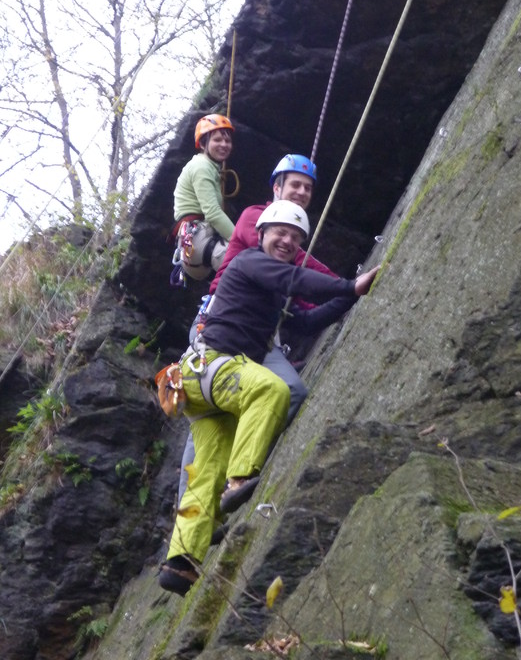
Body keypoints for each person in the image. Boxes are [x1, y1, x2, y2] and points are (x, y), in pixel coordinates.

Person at [159, 200, 380, 597]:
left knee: (206, 468)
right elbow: (298, 281)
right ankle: (239, 479)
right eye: (280, 232)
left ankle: (180, 563)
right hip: (211, 366)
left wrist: (352, 295)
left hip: (201, 388)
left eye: (296, 238)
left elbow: (308, 320)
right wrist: (349, 285)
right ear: (260, 235)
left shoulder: (266, 289)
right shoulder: (247, 262)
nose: (287, 241)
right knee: (271, 389)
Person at [177, 154, 337, 502]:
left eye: (308, 188)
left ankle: (236, 474)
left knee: (290, 390)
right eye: (294, 184)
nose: (301, 192)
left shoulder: (291, 241)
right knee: (208, 415)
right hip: (220, 325)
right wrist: (346, 284)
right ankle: (190, 506)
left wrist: (344, 295)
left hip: (260, 337)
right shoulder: (256, 218)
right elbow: (296, 274)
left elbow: (302, 299)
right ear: (276, 187)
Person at [172, 114, 235, 282]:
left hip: (195, 243)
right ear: (202, 144)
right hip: (199, 238)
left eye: (227, 141)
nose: (224, 145)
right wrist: (240, 241)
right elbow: (213, 214)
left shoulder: (208, 167)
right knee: (246, 264)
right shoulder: (202, 167)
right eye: (217, 140)